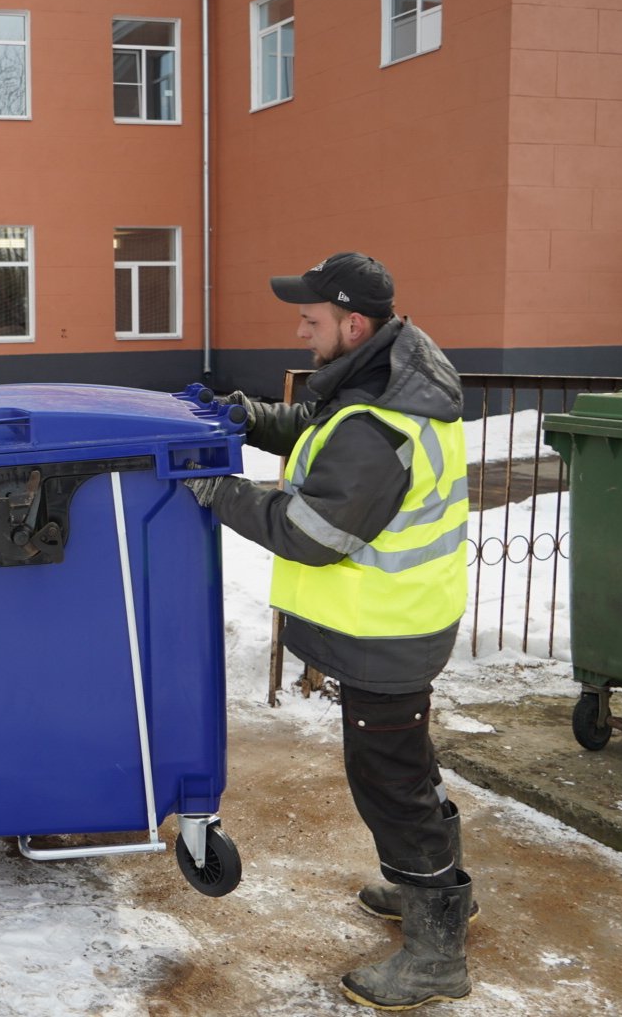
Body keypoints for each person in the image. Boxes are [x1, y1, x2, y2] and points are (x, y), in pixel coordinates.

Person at [185, 252, 473, 1010]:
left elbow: (314, 531)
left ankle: (435, 948)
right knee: (406, 767)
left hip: (387, 633)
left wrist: (223, 495)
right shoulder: (379, 382)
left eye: (310, 319)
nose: (299, 329)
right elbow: (320, 434)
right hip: (399, 622)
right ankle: (435, 890)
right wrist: (249, 415)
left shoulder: (382, 420)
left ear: (354, 323)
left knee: (391, 785)